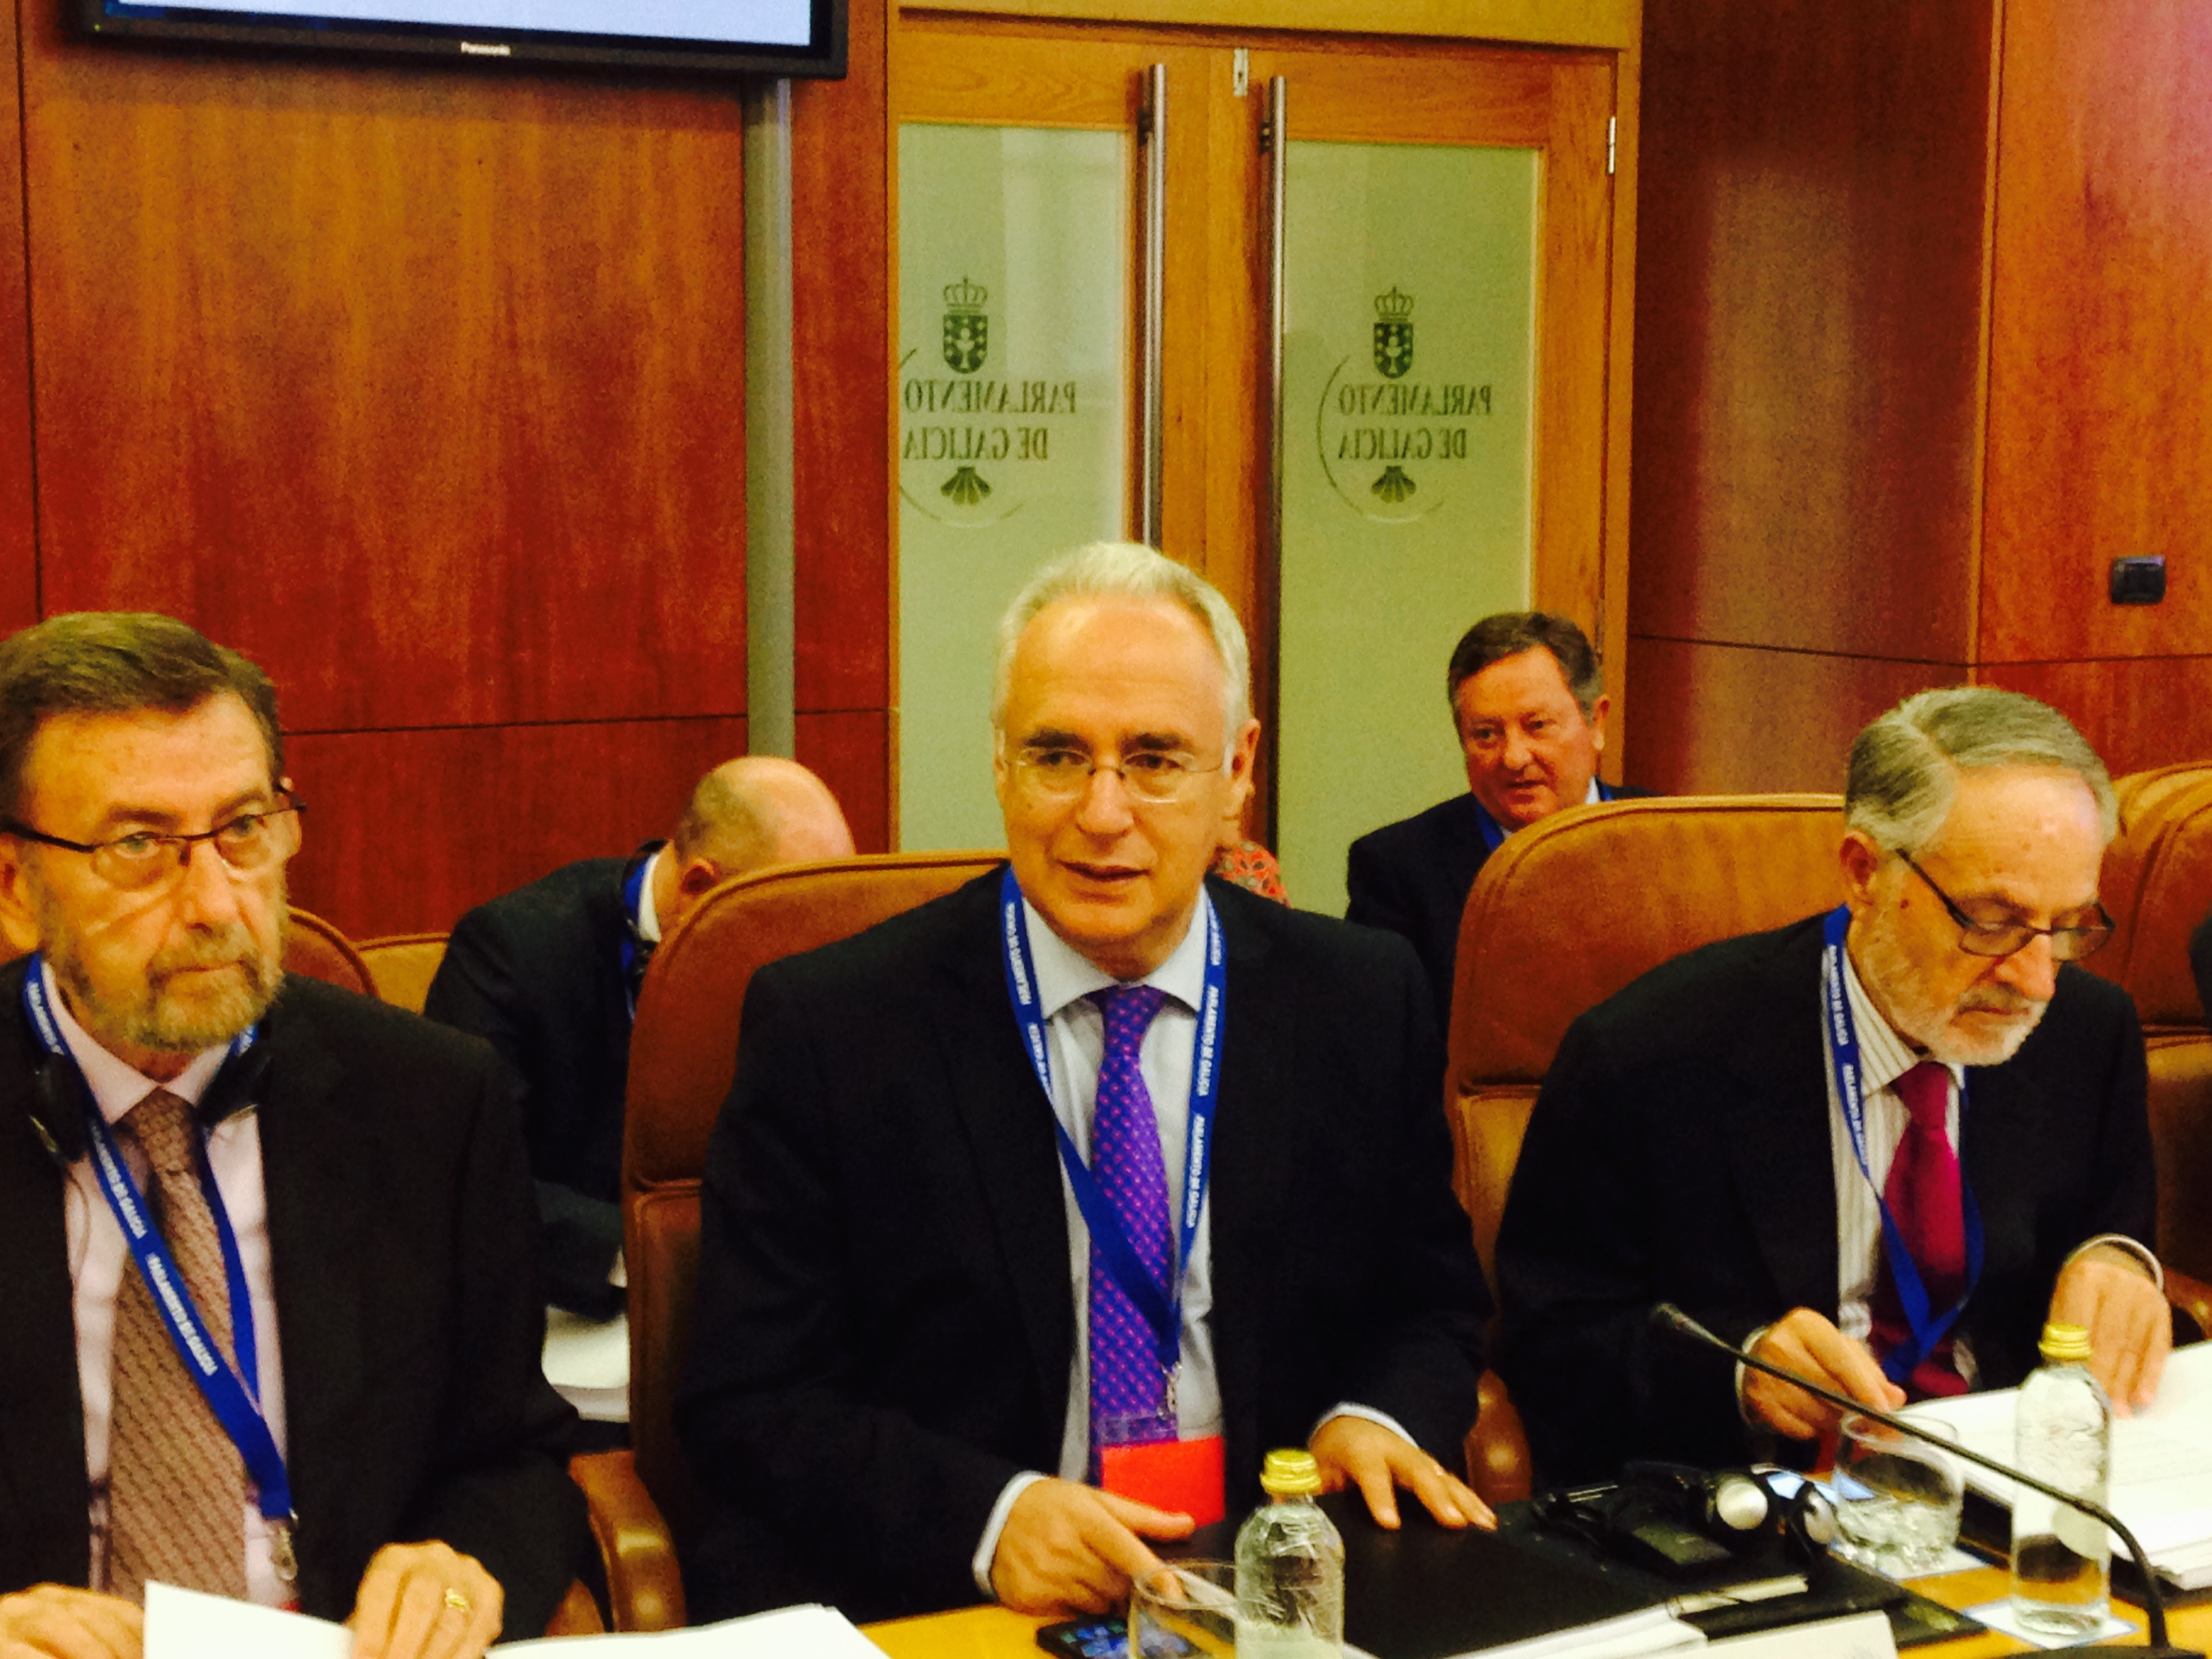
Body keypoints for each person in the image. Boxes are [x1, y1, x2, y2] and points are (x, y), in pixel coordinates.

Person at [678, 542, 1493, 1623]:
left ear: (1237, 771)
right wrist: (991, 1519)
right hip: (977, 1605)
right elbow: (751, 1398)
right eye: (1058, 755)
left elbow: (1430, 1303)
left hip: (1273, 1591)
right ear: (1000, 763)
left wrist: (1373, 1419)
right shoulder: (835, 1025)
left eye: (1155, 759)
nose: (1103, 814)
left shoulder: (1360, 998)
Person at [0, 613, 581, 1659]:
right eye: (140, 847)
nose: (215, 903)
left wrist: (462, 1566)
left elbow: (511, 1461)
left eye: (243, 828)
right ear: (15, 889)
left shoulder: (429, 1098)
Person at [1496, 687, 2169, 1485]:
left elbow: (2111, 1227)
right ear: (1864, 872)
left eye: (2068, 927)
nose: (2036, 981)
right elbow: (1551, 1344)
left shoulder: (2089, 1031)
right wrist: (1741, 1372)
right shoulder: (1647, 1054)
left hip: (2007, 1485)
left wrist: (2119, 1263)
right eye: (1993, 922)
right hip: (1762, 1503)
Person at [424, 756, 853, 1319]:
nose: (821, 950)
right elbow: (470, 1185)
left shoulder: (811, 966)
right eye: (794, 918)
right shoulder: (508, 952)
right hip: (565, 1310)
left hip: (762, 1299)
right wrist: (657, 1256)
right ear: (700, 887)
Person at [1345, 613, 1650, 1023]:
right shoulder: (1397, 870)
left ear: (1597, 722)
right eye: (1486, 734)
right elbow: (1382, 1041)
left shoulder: (1673, 838)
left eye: (1537, 726)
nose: (1514, 757)